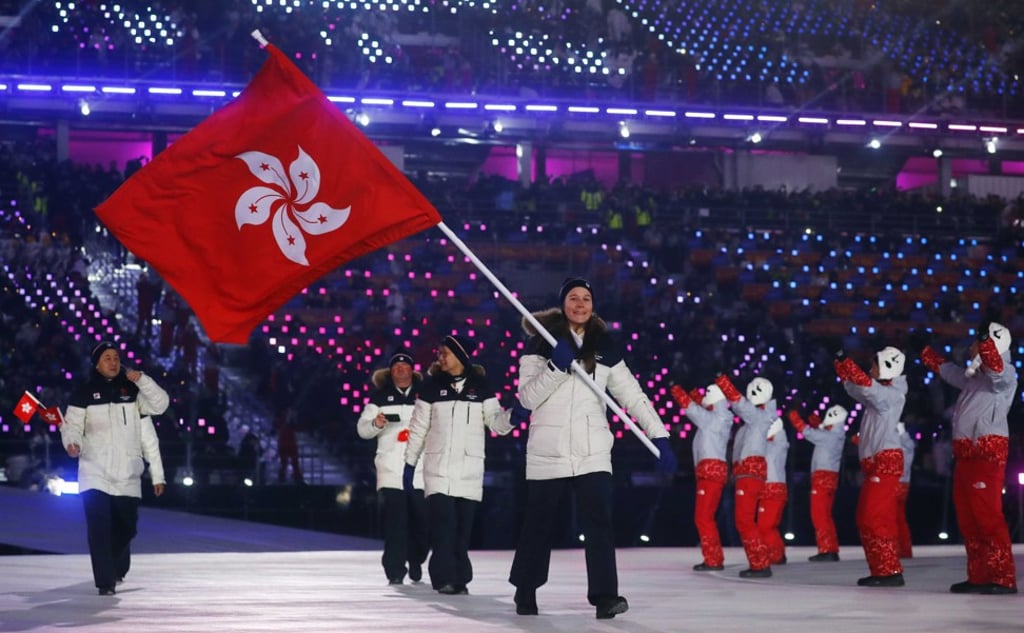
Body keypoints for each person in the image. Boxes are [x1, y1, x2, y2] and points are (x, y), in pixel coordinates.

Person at [508, 278, 677, 620]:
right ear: (563, 303)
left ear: (593, 305)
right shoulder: (540, 343)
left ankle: (605, 596)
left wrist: (660, 437)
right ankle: (526, 589)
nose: (580, 304)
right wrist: (556, 366)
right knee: (539, 524)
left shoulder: (606, 346)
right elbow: (526, 399)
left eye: (586, 298)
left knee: (599, 523)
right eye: (573, 298)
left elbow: (632, 395)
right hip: (548, 449)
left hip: (593, 449)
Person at [402, 334, 519, 595]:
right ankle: (443, 578)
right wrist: (409, 464)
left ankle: (460, 578)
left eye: (446, 353)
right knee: (444, 527)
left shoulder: (482, 387)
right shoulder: (431, 387)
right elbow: (418, 429)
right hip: (439, 469)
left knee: (462, 531)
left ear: (461, 356)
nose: (440, 357)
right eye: (439, 352)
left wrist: (514, 416)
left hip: (469, 471)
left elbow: (496, 424)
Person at [60, 341, 169, 596]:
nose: (113, 362)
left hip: (127, 474)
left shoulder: (132, 391)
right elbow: (71, 426)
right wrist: (72, 443)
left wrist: (142, 379)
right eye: (107, 358)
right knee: (98, 529)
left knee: (127, 527)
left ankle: (114, 565)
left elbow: (161, 405)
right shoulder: (83, 393)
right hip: (93, 471)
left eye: (116, 357)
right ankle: (105, 582)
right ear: (97, 363)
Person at [921, 322, 1018, 594]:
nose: (971, 346)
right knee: (969, 519)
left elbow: (997, 371)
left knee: (987, 517)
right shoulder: (974, 377)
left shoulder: (1005, 374)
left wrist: (986, 345)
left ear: (991, 344)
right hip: (966, 455)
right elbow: (951, 373)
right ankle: (979, 576)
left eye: (977, 342)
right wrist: (929, 356)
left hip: (985, 452)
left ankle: (1002, 578)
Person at [835, 345, 907, 587]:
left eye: (874, 365)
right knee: (872, 517)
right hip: (877, 463)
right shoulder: (881, 395)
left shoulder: (892, 394)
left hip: (884, 462)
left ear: (887, 366)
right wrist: (842, 367)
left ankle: (888, 571)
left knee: (873, 517)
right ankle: (883, 569)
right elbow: (857, 388)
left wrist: (847, 362)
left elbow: (866, 387)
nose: (870, 369)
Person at [357, 352, 429, 585]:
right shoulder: (379, 398)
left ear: (412, 370)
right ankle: (395, 570)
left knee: (422, 522)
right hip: (391, 470)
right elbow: (363, 430)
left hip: (420, 470)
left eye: (404, 365)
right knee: (395, 523)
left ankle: (417, 558)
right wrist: (376, 424)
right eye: (395, 366)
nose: (400, 369)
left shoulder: (426, 395)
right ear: (390, 372)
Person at [716, 374, 777, 578]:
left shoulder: (758, 415)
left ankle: (760, 564)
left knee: (744, 521)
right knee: (745, 520)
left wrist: (723, 382)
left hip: (750, 473)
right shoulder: (754, 421)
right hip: (747, 472)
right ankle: (760, 562)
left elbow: (740, 404)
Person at [671, 382, 732, 571]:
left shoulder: (712, 420)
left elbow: (692, 409)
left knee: (703, 517)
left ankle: (713, 559)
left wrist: (677, 390)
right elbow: (699, 406)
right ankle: (714, 557)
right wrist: (692, 392)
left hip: (710, 472)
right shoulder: (719, 417)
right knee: (705, 517)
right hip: (712, 472)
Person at [788, 404, 848, 562]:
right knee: (825, 515)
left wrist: (795, 419)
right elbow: (818, 434)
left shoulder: (830, 436)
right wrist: (817, 424)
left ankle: (827, 549)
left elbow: (807, 433)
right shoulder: (836, 433)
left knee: (819, 515)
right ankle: (830, 548)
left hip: (822, 478)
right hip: (829, 478)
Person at [761, 417, 789, 566]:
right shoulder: (776, 443)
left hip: (773, 488)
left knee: (765, 526)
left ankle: (776, 556)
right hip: (771, 488)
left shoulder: (776, 444)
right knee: (768, 526)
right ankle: (776, 554)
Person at [896, 421, 915, 559]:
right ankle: (903, 549)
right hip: (903, 483)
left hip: (897, 482)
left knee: (895, 517)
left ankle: (901, 549)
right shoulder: (907, 445)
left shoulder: (905, 445)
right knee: (899, 517)